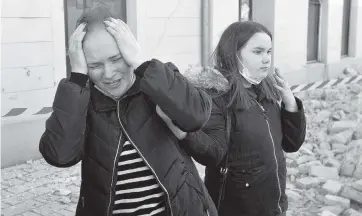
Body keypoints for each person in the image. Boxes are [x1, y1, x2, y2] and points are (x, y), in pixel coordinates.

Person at [39, 5, 218, 216]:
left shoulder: (157, 81)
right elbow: (60, 156)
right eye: (94, 65)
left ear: (129, 49)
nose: (108, 73)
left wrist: (141, 63)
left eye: (116, 59)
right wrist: (77, 77)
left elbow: (196, 115)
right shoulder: (81, 101)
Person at [159, 21, 307, 216]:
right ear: (233, 54)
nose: (266, 59)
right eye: (258, 52)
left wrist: (290, 103)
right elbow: (213, 154)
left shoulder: (267, 90)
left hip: (274, 206)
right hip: (235, 208)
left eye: (269, 52)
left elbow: (292, 143)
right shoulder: (217, 96)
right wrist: (187, 135)